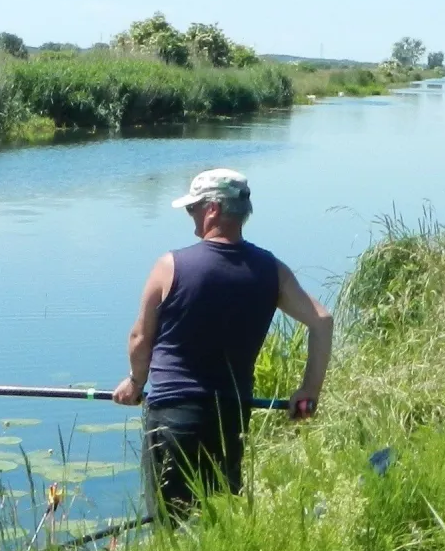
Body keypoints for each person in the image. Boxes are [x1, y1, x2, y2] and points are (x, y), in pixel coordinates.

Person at [112, 168, 333, 520]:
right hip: (231, 417)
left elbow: (141, 337)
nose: (192, 217)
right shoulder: (271, 270)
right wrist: (309, 391)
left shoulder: (170, 266)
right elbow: (321, 321)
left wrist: (135, 383)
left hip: (174, 416)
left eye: (193, 208)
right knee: (219, 519)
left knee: (171, 526)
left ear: (213, 209)